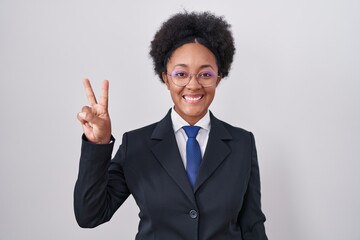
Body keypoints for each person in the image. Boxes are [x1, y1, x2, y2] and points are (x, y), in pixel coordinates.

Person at [74, 11, 268, 240]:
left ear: (218, 78)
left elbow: (252, 226)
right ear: (165, 78)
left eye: (205, 74)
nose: (193, 85)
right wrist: (98, 145)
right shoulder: (136, 144)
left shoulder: (242, 143)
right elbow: (90, 215)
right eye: (181, 74)